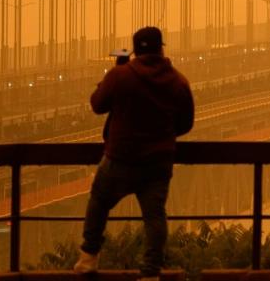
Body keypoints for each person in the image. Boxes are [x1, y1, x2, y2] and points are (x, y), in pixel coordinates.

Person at [75, 26, 195, 280]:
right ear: (161, 48)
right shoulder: (178, 80)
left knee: (98, 202)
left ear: (134, 50)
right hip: (158, 163)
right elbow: (186, 124)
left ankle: (88, 259)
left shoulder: (121, 76)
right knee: (155, 216)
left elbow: (97, 105)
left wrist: (115, 71)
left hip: (120, 158)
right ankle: (151, 272)